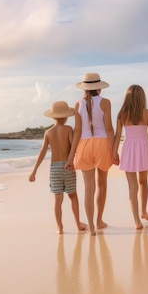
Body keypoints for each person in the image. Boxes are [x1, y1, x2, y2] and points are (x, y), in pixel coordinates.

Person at [66, 73, 114, 236]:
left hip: (84, 145)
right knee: (102, 185)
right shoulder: (106, 102)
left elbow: (77, 131)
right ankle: (99, 220)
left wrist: (71, 156)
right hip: (102, 144)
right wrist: (114, 150)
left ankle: (92, 226)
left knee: (88, 188)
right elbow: (109, 128)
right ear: (99, 87)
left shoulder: (78, 103)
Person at [29, 101, 88, 234]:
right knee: (73, 196)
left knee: (58, 199)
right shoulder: (68, 129)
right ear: (67, 116)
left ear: (53, 116)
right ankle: (78, 224)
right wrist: (78, 161)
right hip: (68, 166)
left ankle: (59, 227)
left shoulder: (48, 132)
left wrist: (34, 171)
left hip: (54, 168)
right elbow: (74, 147)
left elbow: (43, 152)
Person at [112, 85, 148, 230]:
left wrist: (114, 152)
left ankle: (137, 220)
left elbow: (117, 136)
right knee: (143, 182)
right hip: (142, 148)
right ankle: (143, 211)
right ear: (142, 97)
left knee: (132, 186)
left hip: (128, 149)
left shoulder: (122, 114)